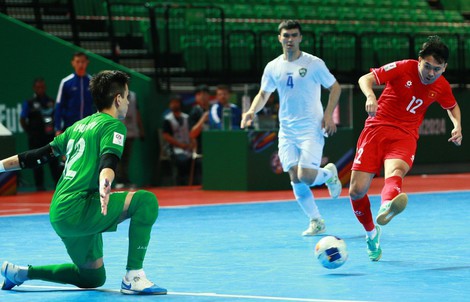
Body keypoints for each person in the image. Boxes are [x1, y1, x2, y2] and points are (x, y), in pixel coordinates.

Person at [1, 70, 166, 295]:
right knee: (146, 201)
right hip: (79, 209)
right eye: (126, 97)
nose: (127, 102)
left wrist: (0, 166)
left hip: (60, 212)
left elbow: (36, 156)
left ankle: (20, 273)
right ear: (118, 99)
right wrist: (105, 182)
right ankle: (134, 276)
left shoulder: (76, 127)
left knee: (92, 277)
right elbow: (109, 160)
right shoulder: (113, 126)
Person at [349, 35, 463, 261]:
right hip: (377, 128)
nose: (431, 73)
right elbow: (365, 79)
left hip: (405, 134)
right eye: (427, 66)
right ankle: (372, 233)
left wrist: (457, 125)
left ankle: (386, 206)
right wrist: (371, 95)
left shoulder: (442, 86)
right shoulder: (403, 67)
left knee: (396, 171)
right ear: (419, 60)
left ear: (444, 68)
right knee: (356, 191)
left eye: (437, 69)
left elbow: (453, 106)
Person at [240, 20, 343, 236]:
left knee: (306, 175)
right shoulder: (273, 67)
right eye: (286, 35)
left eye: (294, 35)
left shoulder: (314, 63)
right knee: (294, 178)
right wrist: (251, 111)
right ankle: (316, 221)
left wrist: (328, 114)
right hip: (286, 131)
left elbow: (335, 87)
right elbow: (263, 94)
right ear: (279, 38)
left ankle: (329, 174)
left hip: (311, 129)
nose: (290, 39)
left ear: (300, 38)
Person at [20, 77, 61, 190]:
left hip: (50, 138)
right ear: (34, 88)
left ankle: (58, 188)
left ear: (45, 88)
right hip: (35, 139)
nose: (40, 89)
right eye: (38, 87)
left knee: (54, 164)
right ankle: (39, 188)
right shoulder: (29, 103)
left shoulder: (51, 102)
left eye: (42, 87)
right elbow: (22, 119)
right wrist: (30, 132)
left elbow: (56, 118)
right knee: (36, 164)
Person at [54, 52, 94, 135]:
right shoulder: (65, 82)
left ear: (87, 63)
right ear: (73, 63)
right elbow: (59, 106)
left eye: (83, 61)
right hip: (70, 127)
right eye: (78, 61)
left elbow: (98, 105)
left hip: (89, 128)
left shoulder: (93, 82)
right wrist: (58, 128)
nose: (80, 64)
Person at [162, 95, 194, 185]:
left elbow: (191, 132)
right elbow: (166, 136)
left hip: (187, 147)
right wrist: (180, 145)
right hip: (173, 148)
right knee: (181, 160)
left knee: (194, 160)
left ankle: (190, 183)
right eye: (172, 103)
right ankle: (179, 183)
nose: (174, 105)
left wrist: (191, 143)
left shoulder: (186, 117)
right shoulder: (167, 119)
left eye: (176, 102)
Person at [115, 90, 145, 189]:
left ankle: (126, 180)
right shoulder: (115, 94)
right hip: (118, 131)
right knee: (118, 156)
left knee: (126, 158)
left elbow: (137, 112)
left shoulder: (133, 96)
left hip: (130, 131)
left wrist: (141, 129)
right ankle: (119, 180)